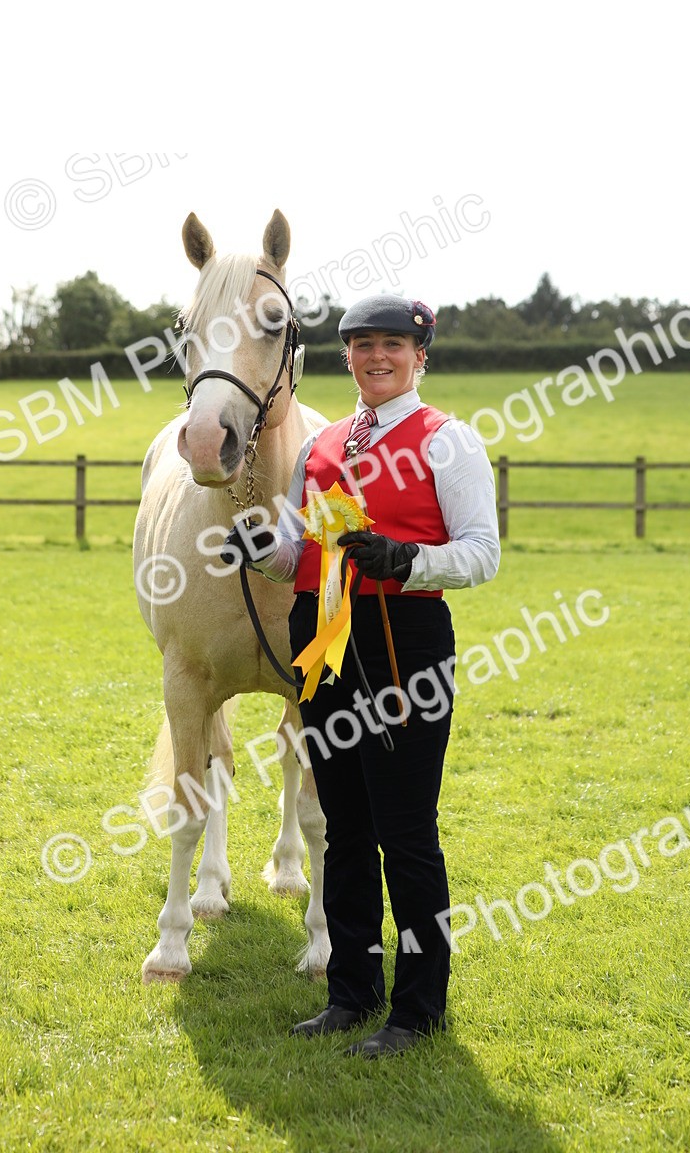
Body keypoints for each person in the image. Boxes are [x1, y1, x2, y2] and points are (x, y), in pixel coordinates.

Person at [222, 295, 500, 1058]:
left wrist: (410, 562)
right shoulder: (324, 444)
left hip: (403, 641)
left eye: (394, 345)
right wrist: (257, 549)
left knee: (405, 834)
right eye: (362, 345)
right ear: (345, 356)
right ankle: (351, 992)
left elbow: (483, 552)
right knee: (344, 825)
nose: (378, 356)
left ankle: (417, 1010)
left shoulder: (449, 441)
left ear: (421, 355)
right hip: (324, 640)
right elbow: (296, 549)